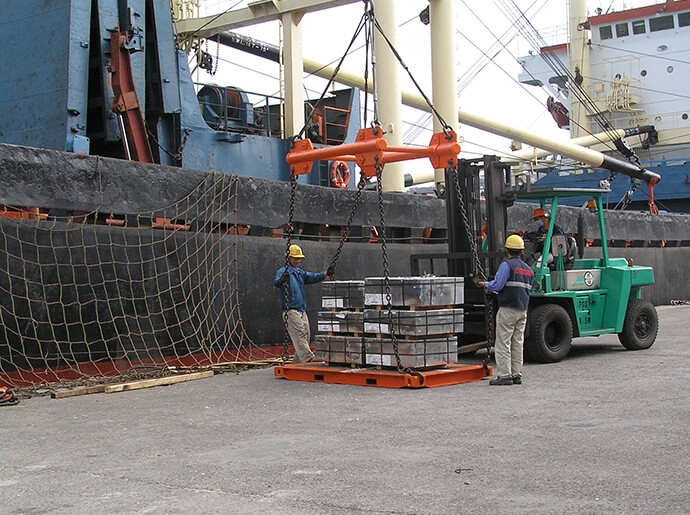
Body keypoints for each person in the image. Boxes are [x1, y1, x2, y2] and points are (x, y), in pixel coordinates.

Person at [476, 234, 533, 386]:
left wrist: (484, 284)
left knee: (503, 343)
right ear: (521, 251)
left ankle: (504, 375)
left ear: (507, 250)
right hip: (522, 310)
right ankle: (516, 374)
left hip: (508, 309)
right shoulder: (528, 270)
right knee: (517, 343)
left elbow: (497, 285)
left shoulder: (506, 265)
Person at [274, 244, 333, 363]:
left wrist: (326, 273)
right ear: (288, 258)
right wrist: (281, 280)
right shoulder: (283, 271)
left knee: (306, 334)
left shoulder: (299, 273)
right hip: (291, 310)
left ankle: (297, 362)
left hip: (301, 310)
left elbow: (312, 277)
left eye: (299, 258)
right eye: (295, 258)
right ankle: (308, 359)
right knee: (299, 333)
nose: (297, 261)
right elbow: (276, 282)